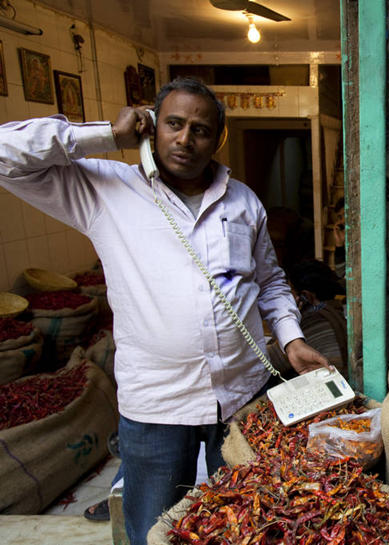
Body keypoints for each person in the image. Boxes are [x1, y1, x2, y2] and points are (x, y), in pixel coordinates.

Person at [0, 77, 329, 545]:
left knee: (243, 527)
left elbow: (270, 281)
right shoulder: (105, 189)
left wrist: (291, 338)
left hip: (242, 397)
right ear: (151, 126)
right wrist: (107, 135)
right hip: (156, 408)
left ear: (217, 139)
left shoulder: (242, 201)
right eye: (173, 124)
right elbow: (5, 155)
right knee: (154, 531)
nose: (185, 139)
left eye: (200, 130)